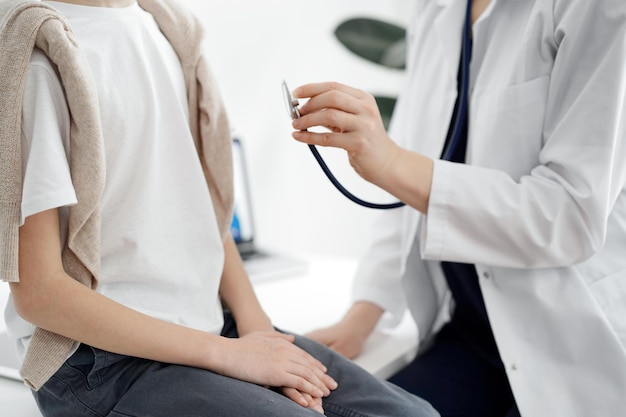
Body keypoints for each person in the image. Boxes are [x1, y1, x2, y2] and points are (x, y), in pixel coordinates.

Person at [0, 0, 440, 416]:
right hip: (100, 365)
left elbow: (204, 212)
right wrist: (230, 356)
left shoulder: (167, 29)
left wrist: (257, 332)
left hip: (210, 326)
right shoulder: (39, 56)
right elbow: (40, 294)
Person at [290, 1, 626, 416]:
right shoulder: (439, 8)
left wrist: (392, 162)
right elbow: (406, 196)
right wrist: (362, 316)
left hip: (570, 342)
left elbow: (570, 215)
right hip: (472, 333)